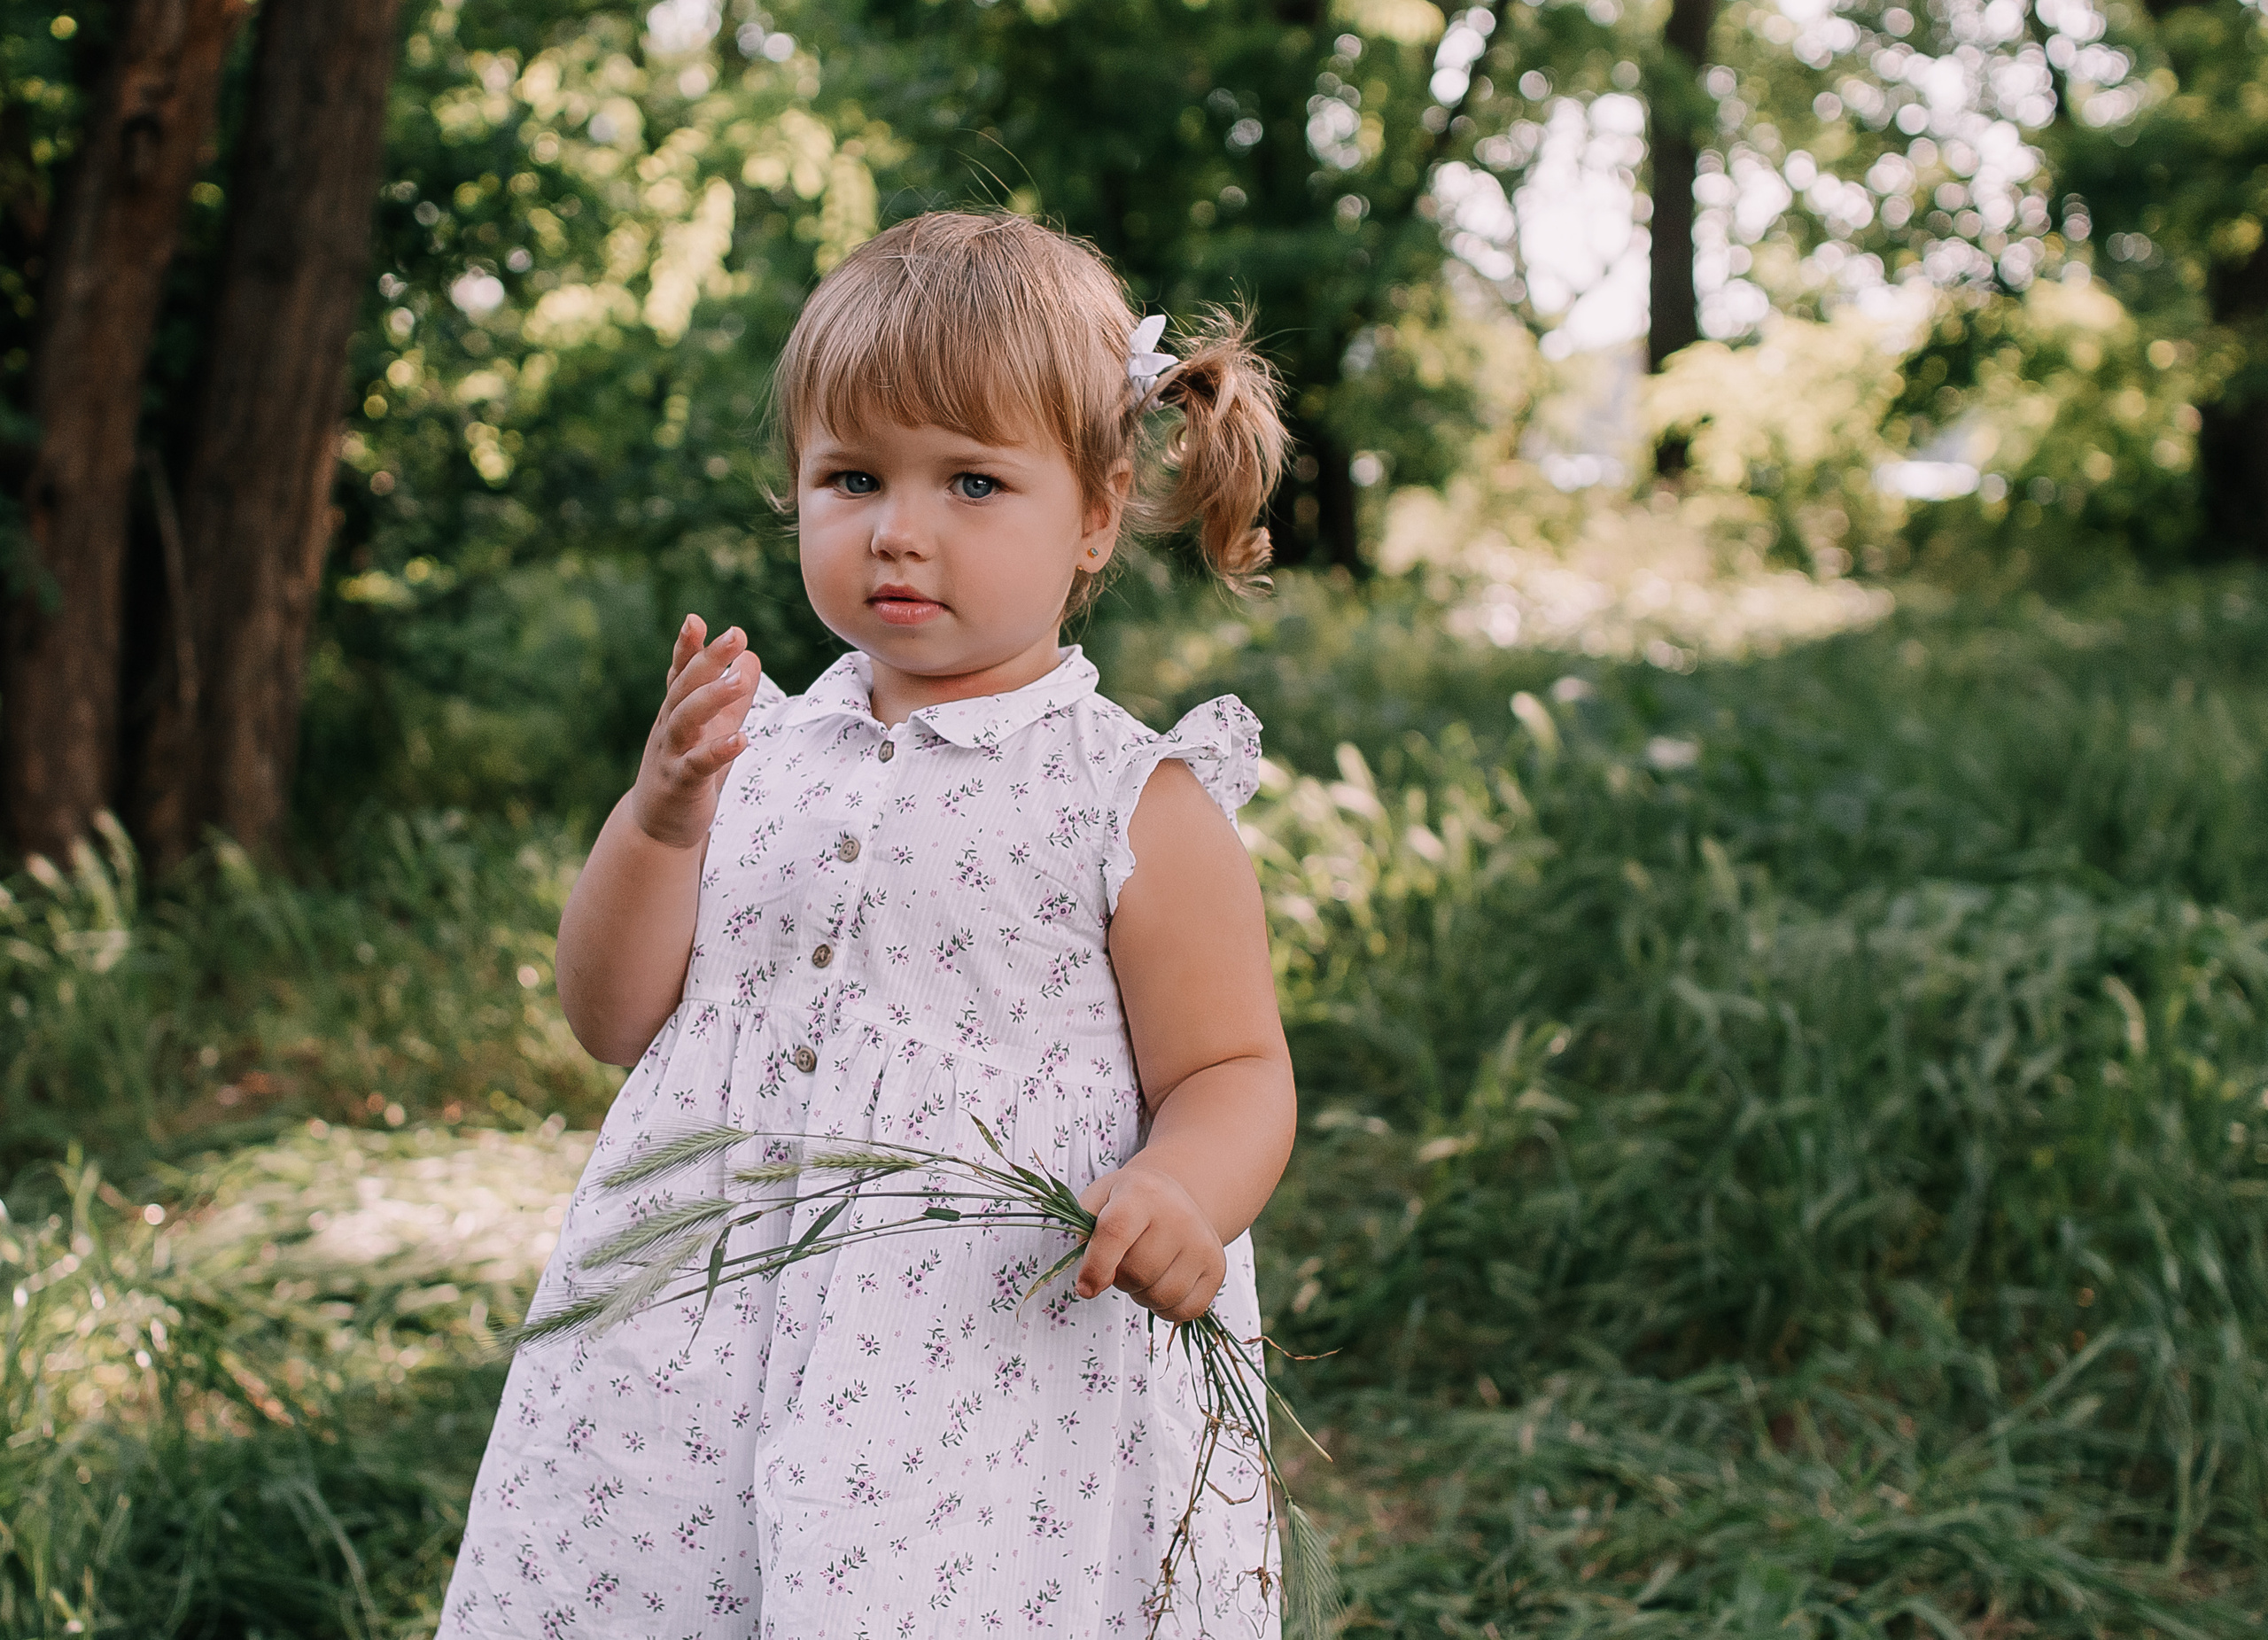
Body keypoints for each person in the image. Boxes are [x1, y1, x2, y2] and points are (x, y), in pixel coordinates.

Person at [439, 211, 1299, 1638]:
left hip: (984, 1355)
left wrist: (1185, 1192)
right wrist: (658, 820)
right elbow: (608, 1017)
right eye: (853, 477)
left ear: (1095, 510)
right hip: (692, 1337)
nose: (899, 528)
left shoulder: (1130, 801)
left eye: (972, 481)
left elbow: (1233, 1070)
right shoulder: (755, 750)